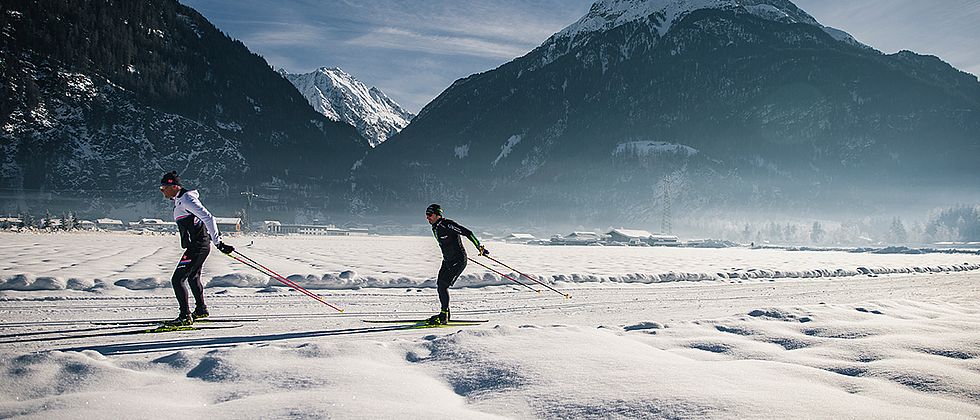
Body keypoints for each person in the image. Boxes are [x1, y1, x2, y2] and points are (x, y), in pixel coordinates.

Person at [159, 171, 235, 326]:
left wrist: (218, 242)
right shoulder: (180, 199)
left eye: (163, 187)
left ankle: (185, 316)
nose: (162, 191)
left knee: (177, 280)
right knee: (193, 277)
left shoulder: (187, 199)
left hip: (199, 246)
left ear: (174, 186)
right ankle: (200, 309)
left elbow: (209, 217)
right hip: (197, 245)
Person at [425, 203, 488, 325]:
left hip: (458, 261)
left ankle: (443, 315)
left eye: (430, 215)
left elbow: (468, 233)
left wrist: (479, 247)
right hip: (447, 261)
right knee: (439, 285)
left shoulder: (448, 224)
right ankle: (445, 314)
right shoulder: (435, 227)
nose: (428, 217)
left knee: (443, 285)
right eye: (426, 215)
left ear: (438, 215)